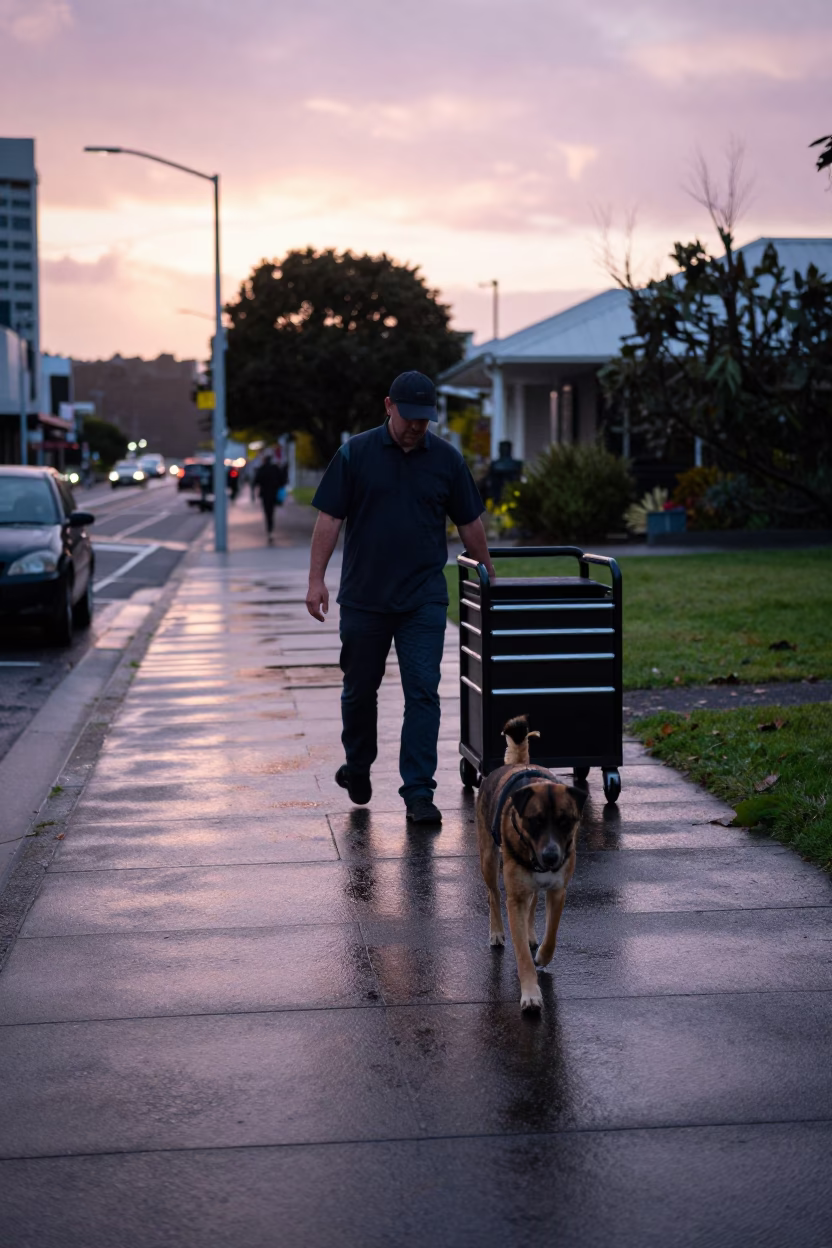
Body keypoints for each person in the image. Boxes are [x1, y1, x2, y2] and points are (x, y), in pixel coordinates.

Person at [306, 370, 495, 825]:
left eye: (424, 419)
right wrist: (316, 579)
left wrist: (489, 573)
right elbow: (330, 518)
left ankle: (418, 793)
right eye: (409, 416)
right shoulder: (355, 453)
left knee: (423, 693)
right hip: (364, 599)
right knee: (358, 691)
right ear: (388, 405)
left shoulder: (446, 460)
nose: (415, 426)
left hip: (422, 600)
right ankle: (357, 766)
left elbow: (470, 523)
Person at [254, 450, 288, 544]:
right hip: (274, 493)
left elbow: (256, 480)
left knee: (267, 512)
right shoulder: (275, 468)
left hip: (265, 495)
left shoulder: (262, 468)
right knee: (271, 512)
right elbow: (282, 480)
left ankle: (269, 529)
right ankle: (270, 529)